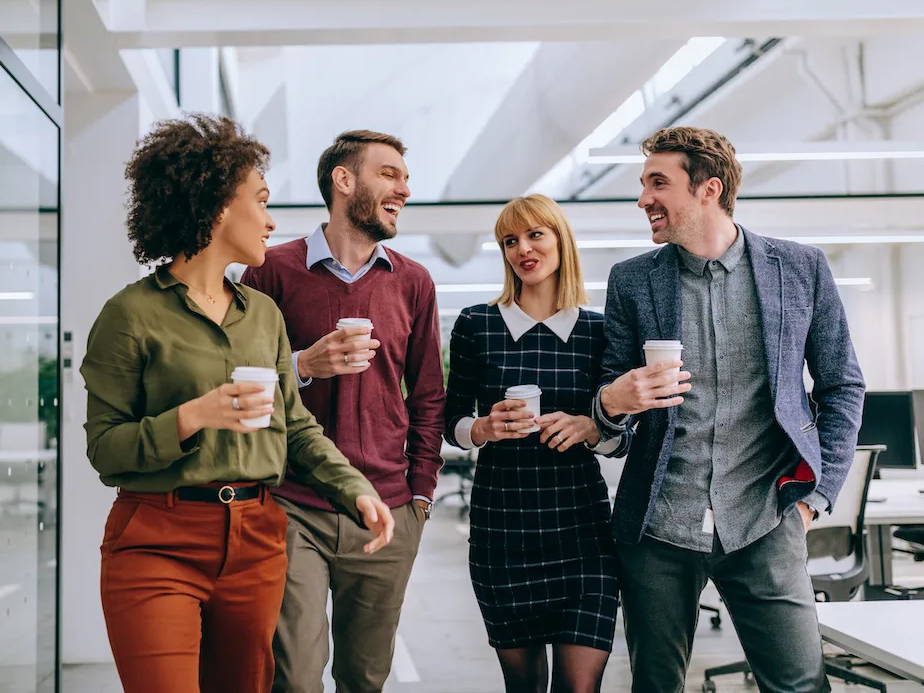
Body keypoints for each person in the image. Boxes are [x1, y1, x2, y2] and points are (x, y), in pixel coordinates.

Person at [80, 115, 395, 693]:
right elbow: (105, 450)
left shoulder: (263, 315)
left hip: (255, 539)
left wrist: (356, 489)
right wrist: (193, 416)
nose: (272, 221)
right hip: (157, 540)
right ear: (219, 204)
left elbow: (295, 426)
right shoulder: (131, 315)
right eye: (261, 200)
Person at [591, 126, 865, 693]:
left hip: (766, 517)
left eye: (657, 183)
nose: (643, 199)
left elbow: (841, 385)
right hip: (659, 524)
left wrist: (815, 497)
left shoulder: (800, 269)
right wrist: (613, 404)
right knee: (655, 685)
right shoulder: (633, 281)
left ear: (709, 189)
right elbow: (610, 416)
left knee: (798, 684)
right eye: (643, 184)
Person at [241, 130, 446, 693]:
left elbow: (428, 395)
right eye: (390, 174)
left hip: (387, 507)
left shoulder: (413, 282)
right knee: (296, 677)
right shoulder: (270, 272)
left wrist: (421, 495)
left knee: (364, 676)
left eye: (404, 177)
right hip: (291, 502)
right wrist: (303, 363)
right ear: (344, 180)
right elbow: (242, 376)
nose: (404, 188)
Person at [444, 194, 618, 693]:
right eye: (510, 240)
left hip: (582, 530)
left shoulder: (598, 331)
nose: (523, 248)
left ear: (561, 239)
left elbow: (622, 438)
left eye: (535, 234)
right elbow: (450, 419)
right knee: (522, 686)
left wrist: (593, 427)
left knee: (579, 688)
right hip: (504, 529)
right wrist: (481, 429)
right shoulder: (477, 325)